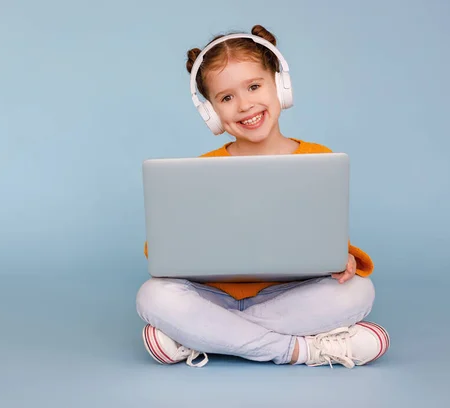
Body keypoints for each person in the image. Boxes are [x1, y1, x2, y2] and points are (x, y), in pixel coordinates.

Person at [136, 24, 389, 368]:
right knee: (153, 296)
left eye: (254, 86)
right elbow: (164, 254)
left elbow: (326, 235)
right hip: (214, 296)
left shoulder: (318, 159)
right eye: (226, 98)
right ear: (210, 113)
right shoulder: (200, 172)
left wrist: (342, 257)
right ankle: (306, 350)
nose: (244, 105)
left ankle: (198, 337)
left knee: (359, 290)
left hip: (288, 296)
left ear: (280, 86)